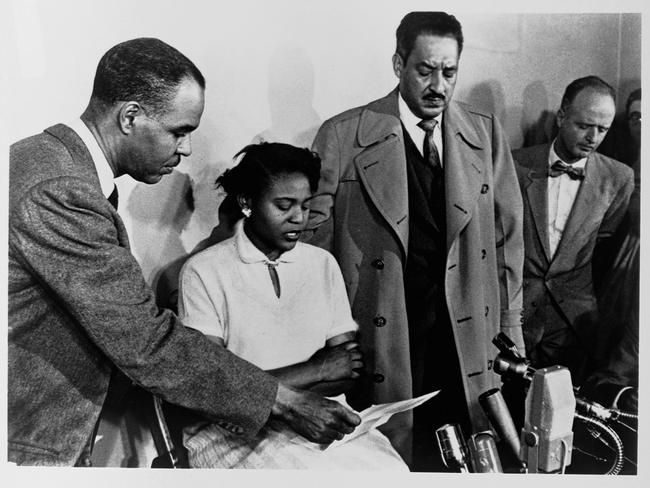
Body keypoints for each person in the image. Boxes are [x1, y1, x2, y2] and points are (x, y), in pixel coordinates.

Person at [8, 38, 359, 467]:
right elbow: (145, 341)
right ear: (130, 116)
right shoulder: (61, 189)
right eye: (180, 131)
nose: (187, 148)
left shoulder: (48, 163)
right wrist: (285, 401)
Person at [306, 11, 525, 470]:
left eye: (449, 72)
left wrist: (511, 328)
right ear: (398, 63)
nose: (438, 85)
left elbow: (507, 239)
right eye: (425, 70)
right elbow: (312, 250)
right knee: (394, 456)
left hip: (465, 333)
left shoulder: (484, 134)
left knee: (472, 454)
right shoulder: (344, 135)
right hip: (384, 331)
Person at [176, 142, 408, 469]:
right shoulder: (204, 272)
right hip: (236, 437)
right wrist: (318, 369)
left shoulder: (322, 264)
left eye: (305, 205)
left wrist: (262, 385)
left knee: (394, 472)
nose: (298, 218)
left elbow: (348, 370)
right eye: (284, 205)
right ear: (247, 202)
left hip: (325, 418)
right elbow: (215, 391)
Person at [512, 76, 634, 388]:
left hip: (574, 326)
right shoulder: (514, 165)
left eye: (603, 129)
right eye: (584, 125)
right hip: (515, 318)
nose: (593, 137)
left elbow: (604, 247)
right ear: (561, 117)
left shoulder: (619, 178)